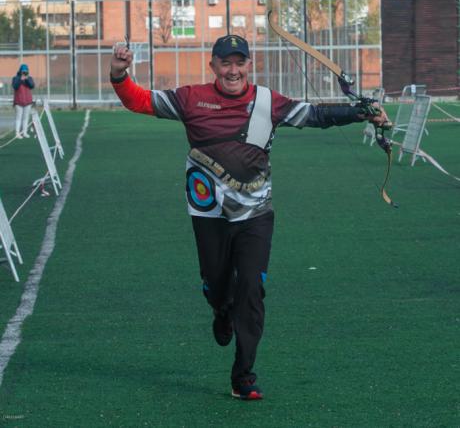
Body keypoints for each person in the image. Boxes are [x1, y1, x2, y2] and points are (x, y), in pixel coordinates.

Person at [110, 34, 389, 401]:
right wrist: (119, 73)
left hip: (256, 212)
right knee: (217, 285)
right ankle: (220, 310)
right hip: (208, 212)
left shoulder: (266, 101)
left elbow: (315, 115)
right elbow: (139, 101)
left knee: (252, 291)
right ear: (213, 66)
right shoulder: (190, 98)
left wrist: (360, 111)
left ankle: (243, 375)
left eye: (240, 63)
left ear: (249, 65)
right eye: (226, 63)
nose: (233, 70)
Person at [12, 63, 35, 139]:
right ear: (20, 71)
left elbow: (32, 86)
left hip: (27, 102)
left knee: (26, 118)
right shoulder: (15, 78)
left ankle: (24, 132)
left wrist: (27, 79)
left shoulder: (29, 78)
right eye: (23, 71)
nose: (24, 73)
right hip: (18, 102)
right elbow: (15, 86)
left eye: (25, 71)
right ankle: (17, 133)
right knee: (18, 118)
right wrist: (20, 79)